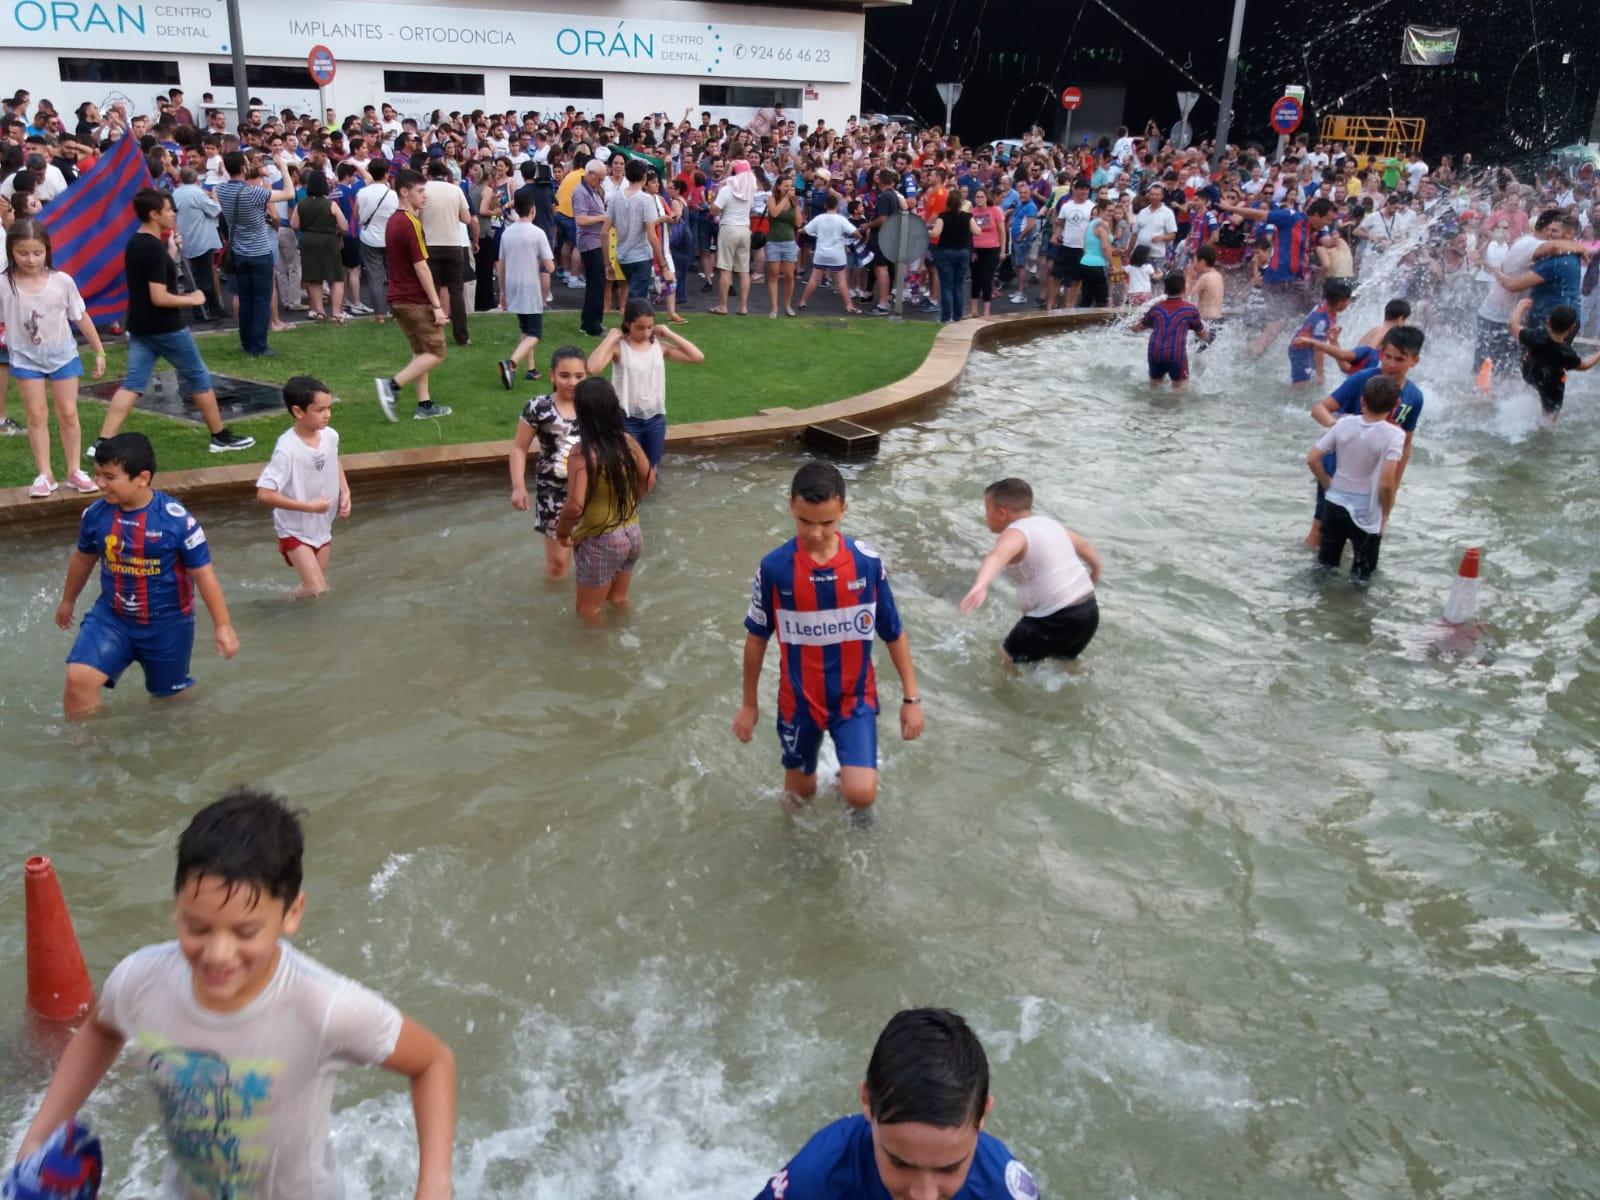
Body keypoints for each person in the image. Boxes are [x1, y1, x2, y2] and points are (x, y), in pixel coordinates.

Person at [13, 787, 456, 1198]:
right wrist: (37, 1139)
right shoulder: (140, 981)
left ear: (292, 913)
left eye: (245, 932)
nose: (218, 954)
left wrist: (434, 1186)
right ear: (177, 906)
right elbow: (100, 1031)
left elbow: (433, 1062)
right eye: (197, 927)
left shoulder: (323, 1008)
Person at [733, 461, 924, 815]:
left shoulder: (866, 564)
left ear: (844, 510)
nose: (816, 533)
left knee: (861, 793)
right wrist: (749, 704)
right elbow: (756, 638)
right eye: (805, 521)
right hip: (799, 701)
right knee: (799, 795)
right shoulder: (774, 569)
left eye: (827, 523)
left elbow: (893, 632)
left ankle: (844, 778)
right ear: (791, 506)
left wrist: (911, 698)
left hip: (854, 697)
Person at [752, 1008, 1037, 1200]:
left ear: (983, 1114)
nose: (924, 1196)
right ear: (867, 1102)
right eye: (900, 1164)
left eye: (949, 1168)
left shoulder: (1003, 1190)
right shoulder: (811, 1185)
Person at [53, 433, 238, 715]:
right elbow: (82, 559)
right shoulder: (96, 515)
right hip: (112, 617)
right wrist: (68, 600)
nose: (99, 483)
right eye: (97, 474)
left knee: (170, 702)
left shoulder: (176, 522)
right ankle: (87, 742)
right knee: (78, 680)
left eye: (109, 477)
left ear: (142, 478)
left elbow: (204, 575)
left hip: (168, 625)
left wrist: (223, 625)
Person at [91, 190, 253, 453]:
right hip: (165, 327)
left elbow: (154, 277)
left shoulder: (138, 242)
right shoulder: (152, 249)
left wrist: (171, 251)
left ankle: (102, 441)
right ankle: (220, 437)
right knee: (199, 377)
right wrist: (192, 299)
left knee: (133, 383)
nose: (173, 214)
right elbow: (159, 296)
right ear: (154, 214)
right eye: (168, 210)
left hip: (140, 325)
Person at [0, 218, 105, 498]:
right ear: (11, 251)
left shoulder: (62, 282)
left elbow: (80, 315)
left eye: (37, 252)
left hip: (63, 355)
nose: (31, 259)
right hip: (25, 358)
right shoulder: (4, 284)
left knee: (68, 413)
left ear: (47, 250)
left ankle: (74, 471)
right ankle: (44, 474)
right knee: (36, 414)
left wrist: (98, 350)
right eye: (23, 253)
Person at [961, 477, 1102, 664]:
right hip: (1087, 611)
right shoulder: (1050, 525)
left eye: (987, 509)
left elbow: (996, 556)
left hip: (1055, 616)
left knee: (1004, 658)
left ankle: (1006, 684)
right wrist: (1096, 571)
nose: (985, 515)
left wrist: (981, 584)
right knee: (1063, 661)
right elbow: (1084, 546)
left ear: (1001, 513)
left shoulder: (1015, 533)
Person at [1307, 326, 1426, 545]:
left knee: (1363, 535)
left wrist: (1393, 487)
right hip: (1338, 470)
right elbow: (1319, 409)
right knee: (1320, 532)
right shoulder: (1362, 380)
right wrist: (1338, 424)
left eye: (1399, 359)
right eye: (1387, 356)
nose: (1390, 364)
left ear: (1414, 361)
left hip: (1374, 479)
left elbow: (1405, 445)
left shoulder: (1414, 397)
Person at [552, 377, 656, 625]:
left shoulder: (581, 453)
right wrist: (629, 500)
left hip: (601, 540)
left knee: (589, 611)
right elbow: (649, 480)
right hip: (633, 533)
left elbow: (575, 505)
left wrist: (562, 532)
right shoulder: (627, 441)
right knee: (618, 600)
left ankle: (597, 650)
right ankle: (629, 637)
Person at [255, 375, 351, 597]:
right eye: (320, 410)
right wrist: (309, 507)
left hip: (322, 524)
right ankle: (274, 605)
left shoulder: (330, 436)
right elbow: (264, 494)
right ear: (298, 412)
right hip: (294, 528)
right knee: (316, 588)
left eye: (329, 408)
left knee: (317, 590)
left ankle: (287, 603)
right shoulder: (287, 449)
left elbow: (333, 459)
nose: (327, 415)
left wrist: (345, 491)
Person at [1307, 373, 1406, 580]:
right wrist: (1386, 513)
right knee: (1362, 578)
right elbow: (1387, 484)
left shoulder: (1343, 424)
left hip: (1333, 505)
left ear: (1362, 401)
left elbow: (1313, 459)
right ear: (1396, 405)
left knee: (1324, 570)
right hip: (1366, 513)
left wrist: (1328, 484)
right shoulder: (1395, 435)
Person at [586, 297, 703, 471]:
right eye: (640, 328)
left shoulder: (659, 347)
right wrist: (609, 338)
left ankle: (652, 489)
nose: (646, 333)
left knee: (652, 469)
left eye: (650, 327)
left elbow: (697, 357)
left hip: (655, 417)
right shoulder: (619, 348)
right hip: (626, 419)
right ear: (628, 324)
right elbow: (592, 368)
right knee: (629, 468)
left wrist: (670, 334)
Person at [375, 169, 451, 421]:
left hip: (399, 298)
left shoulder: (393, 221)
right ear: (404, 192)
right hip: (413, 298)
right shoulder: (410, 223)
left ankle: (424, 405)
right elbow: (421, 267)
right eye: (420, 191)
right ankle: (392, 385)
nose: (424, 196)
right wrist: (437, 305)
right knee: (437, 352)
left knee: (420, 353)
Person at [510, 344, 587, 580]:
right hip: (553, 491)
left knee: (590, 557)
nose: (572, 382)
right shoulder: (539, 407)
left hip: (589, 490)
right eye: (564, 375)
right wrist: (518, 486)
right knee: (558, 564)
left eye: (579, 376)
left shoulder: (593, 405)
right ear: (552, 375)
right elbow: (519, 448)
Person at [215, 150, 294, 356]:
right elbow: (289, 193)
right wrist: (284, 169)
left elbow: (225, 181)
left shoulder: (221, 189)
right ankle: (259, 345)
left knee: (246, 299)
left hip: (238, 252)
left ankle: (246, 342)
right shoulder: (254, 192)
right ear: (243, 168)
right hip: (259, 252)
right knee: (261, 300)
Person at [496, 191, 555, 389]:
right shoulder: (537, 233)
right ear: (533, 210)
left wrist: (502, 292)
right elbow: (550, 266)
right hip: (530, 286)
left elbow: (501, 264)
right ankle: (511, 363)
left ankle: (531, 369)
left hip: (512, 284)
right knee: (535, 333)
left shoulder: (507, 233)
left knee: (526, 329)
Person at [1510, 299, 1599, 423]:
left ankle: (1530, 391)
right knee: (1550, 417)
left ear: (1548, 322)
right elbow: (1585, 366)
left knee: (1533, 381)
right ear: (1572, 327)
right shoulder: (1568, 354)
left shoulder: (1535, 336)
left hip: (1529, 372)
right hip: (1552, 387)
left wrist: (1521, 305)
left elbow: (1513, 325)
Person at [422, 158, 473, 346]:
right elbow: (467, 219)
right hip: (452, 244)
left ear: (428, 174)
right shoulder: (456, 190)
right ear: (445, 174)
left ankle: (431, 334)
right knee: (456, 292)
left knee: (432, 290)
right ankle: (462, 336)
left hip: (430, 244)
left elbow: (415, 215)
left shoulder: (423, 190)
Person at [602, 156, 665, 303]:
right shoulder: (646, 200)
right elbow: (652, 236)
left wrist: (607, 263)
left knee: (633, 297)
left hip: (622, 256)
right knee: (637, 302)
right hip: (641, 256)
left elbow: (604, 232)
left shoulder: (615, 198)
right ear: (644, 177)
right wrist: (663, 265)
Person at [291, 170, 349, 323]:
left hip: (309, 241)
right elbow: (344, 226)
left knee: (314, 278)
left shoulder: (301, 203)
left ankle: (320, 312)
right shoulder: (331, 204)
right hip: (329, 240)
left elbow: (294, 224)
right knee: (336, 278)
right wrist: (338, 233)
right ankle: (336, 313)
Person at [1133, 273, 1206, 389]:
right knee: (1180, 387)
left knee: (1155, 385)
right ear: (1184, 290)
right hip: (1176, 353)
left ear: (1165, 290)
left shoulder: (1156, 308)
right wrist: (1207, 337)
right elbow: (1201, 333)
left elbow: (1139, 328)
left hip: (1155, 352)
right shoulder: (1190, 309)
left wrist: (1132, 327)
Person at [171, 166, 223, 322]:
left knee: (197, 277)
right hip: (201, 241)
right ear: (195, 179)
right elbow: (215, 210)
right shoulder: (197, 193)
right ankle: (203, 311)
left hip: (187, 239)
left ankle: (212, 308)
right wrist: (214, 196)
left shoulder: (176, 193)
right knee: (204, 278)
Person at [355, 158, 400, 323]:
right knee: (394, 276)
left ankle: (379, 315)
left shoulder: (362, 193)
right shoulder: (393, 195)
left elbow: (356, 215)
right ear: (387, 174)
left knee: (375, 278)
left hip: (369, 238)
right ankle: (396, 313)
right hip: (390, 237)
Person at [1288, 278, 1354, 387]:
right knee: (1301, 384)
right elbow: (1318, 348)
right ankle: (1290, 395)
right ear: (1341, 303)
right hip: (1300, 350)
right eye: (1348, 300)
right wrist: (1320, 372)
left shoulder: (1326, 306)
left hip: (1306, 347)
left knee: (1308, 381)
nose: (1349, 303)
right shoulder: (1321, 321)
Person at [711, 158, 757, 315]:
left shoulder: (727, 190)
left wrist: (717, 191)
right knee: (744, 271)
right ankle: (743, 306)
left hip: (729, 228)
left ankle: (723, 306)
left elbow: (714, 210)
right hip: (744, 229)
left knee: (725, 269)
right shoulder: (750, 191)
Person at [572, 158, 609, 336]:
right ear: (591, 175)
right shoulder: (581, 192)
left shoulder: (591, 190)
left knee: (597, 284)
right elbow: (581, 219)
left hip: (595, 241)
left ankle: (590, 321)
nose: (601, 182)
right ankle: (592, 325)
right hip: (590, 243)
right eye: (600, 178)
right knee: (596, 284)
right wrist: (603, 217)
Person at [929, 190, 972, 323]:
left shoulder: (942, 217)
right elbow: (977, 231)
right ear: (961, 203)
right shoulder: (967, 216)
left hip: (945, 252)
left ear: (947, 202)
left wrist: (927, 231)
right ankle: (957, 317)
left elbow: (935, 234)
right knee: (958, 286)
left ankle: (946, 317)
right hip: (962, 252)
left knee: (946, 286)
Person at [764, 175, 801, 317]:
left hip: (789, 241)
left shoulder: (793, 201)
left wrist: (796, 204)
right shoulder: (772, 198)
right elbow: (774, 213)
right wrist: (786, 198)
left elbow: (798, 223)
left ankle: (787, 305)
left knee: (789, 276)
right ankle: (774, 307)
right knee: (773, 274)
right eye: (786, 186)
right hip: (773, 241)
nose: (789, 189)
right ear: (778, 186)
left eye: (790, 186)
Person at [969, 185, 1007, 317]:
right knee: (975, 279)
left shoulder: (994, 211)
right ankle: (974, 310)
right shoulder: (971, 212)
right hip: (975, 249)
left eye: (982, 197)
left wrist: (1003, 250)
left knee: (986, 278)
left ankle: (986, 311)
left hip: (992, 249)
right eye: (977, 197)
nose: (979, 199)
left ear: (986, 198)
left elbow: (1002, 231)